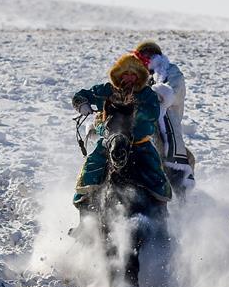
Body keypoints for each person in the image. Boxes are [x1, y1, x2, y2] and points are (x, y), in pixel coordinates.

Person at [72, 53, 172, 210]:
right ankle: (84, 209)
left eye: (133, 74)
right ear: (119, 75)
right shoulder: (107, 90)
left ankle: (161, 210)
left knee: (156, 175)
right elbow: (82, 95)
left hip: (139, 144)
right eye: (126, 74)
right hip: (108, 142)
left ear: (139, 76)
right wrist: (82, 103)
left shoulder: (147, 94)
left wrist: (133, 111)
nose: (130, 78)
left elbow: (152, 112)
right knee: (91, 168)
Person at [133, 41, 195, 194]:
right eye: (142, 56)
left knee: (179, 160)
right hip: (134, 119)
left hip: (164, 123)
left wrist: (156, 95)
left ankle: (179, 193)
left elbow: (174, 92)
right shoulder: (132, 74)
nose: (146, 59)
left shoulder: (170, 72)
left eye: (149, 55)